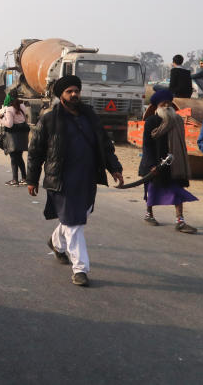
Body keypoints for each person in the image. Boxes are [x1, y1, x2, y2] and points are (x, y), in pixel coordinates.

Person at [26, 75, 124, 287]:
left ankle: (55, 242)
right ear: (61, 95)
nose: (74, 94)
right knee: (74, 222)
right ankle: (80, 269)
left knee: (76, 217)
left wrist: (115, 168)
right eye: (69, 91)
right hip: (61, 179)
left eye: (76, 90)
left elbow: (105, 146)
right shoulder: (49, 119)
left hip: (87, 178)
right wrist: (31, 179)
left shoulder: (90, 117)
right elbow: (35, 152)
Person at [139, 89, 198, 232]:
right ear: (157, 105)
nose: (166, 106)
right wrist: (152, 164)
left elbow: (181, 143)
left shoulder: (177, 120)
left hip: (174, 164)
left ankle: (180, 220)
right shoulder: (151, 121)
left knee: (177, 190)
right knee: (152, 189)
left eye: (168, 103)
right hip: (155, 163)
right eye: (163, 103)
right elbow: (146, 144)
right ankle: (149, 214)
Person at [0, 93, 30, 186]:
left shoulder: (9, 109)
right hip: (22, 135)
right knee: (19, 157)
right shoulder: (22, 106)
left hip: (13, 136)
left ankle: (15, 180)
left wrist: (0, 119)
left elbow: (10, 124)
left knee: (13, 158)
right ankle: (24, 178)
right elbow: (24, 119)